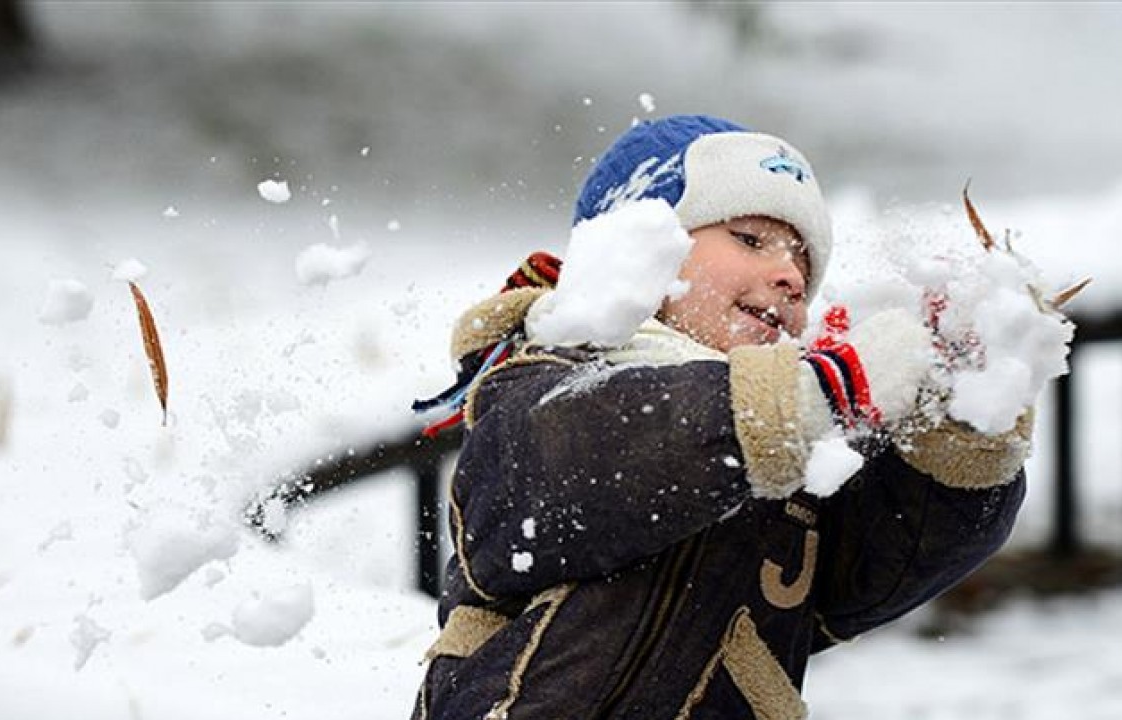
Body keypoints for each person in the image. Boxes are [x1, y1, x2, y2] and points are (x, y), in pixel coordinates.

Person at [409, 115, 1036, 720]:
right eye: (750, 240)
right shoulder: (543, 381)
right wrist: (820, 392)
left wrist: (961, 422)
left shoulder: (791, 450)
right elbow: (611, 453)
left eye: (802, 264)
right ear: (636, 253)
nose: (790, 276)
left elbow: (889, 560)